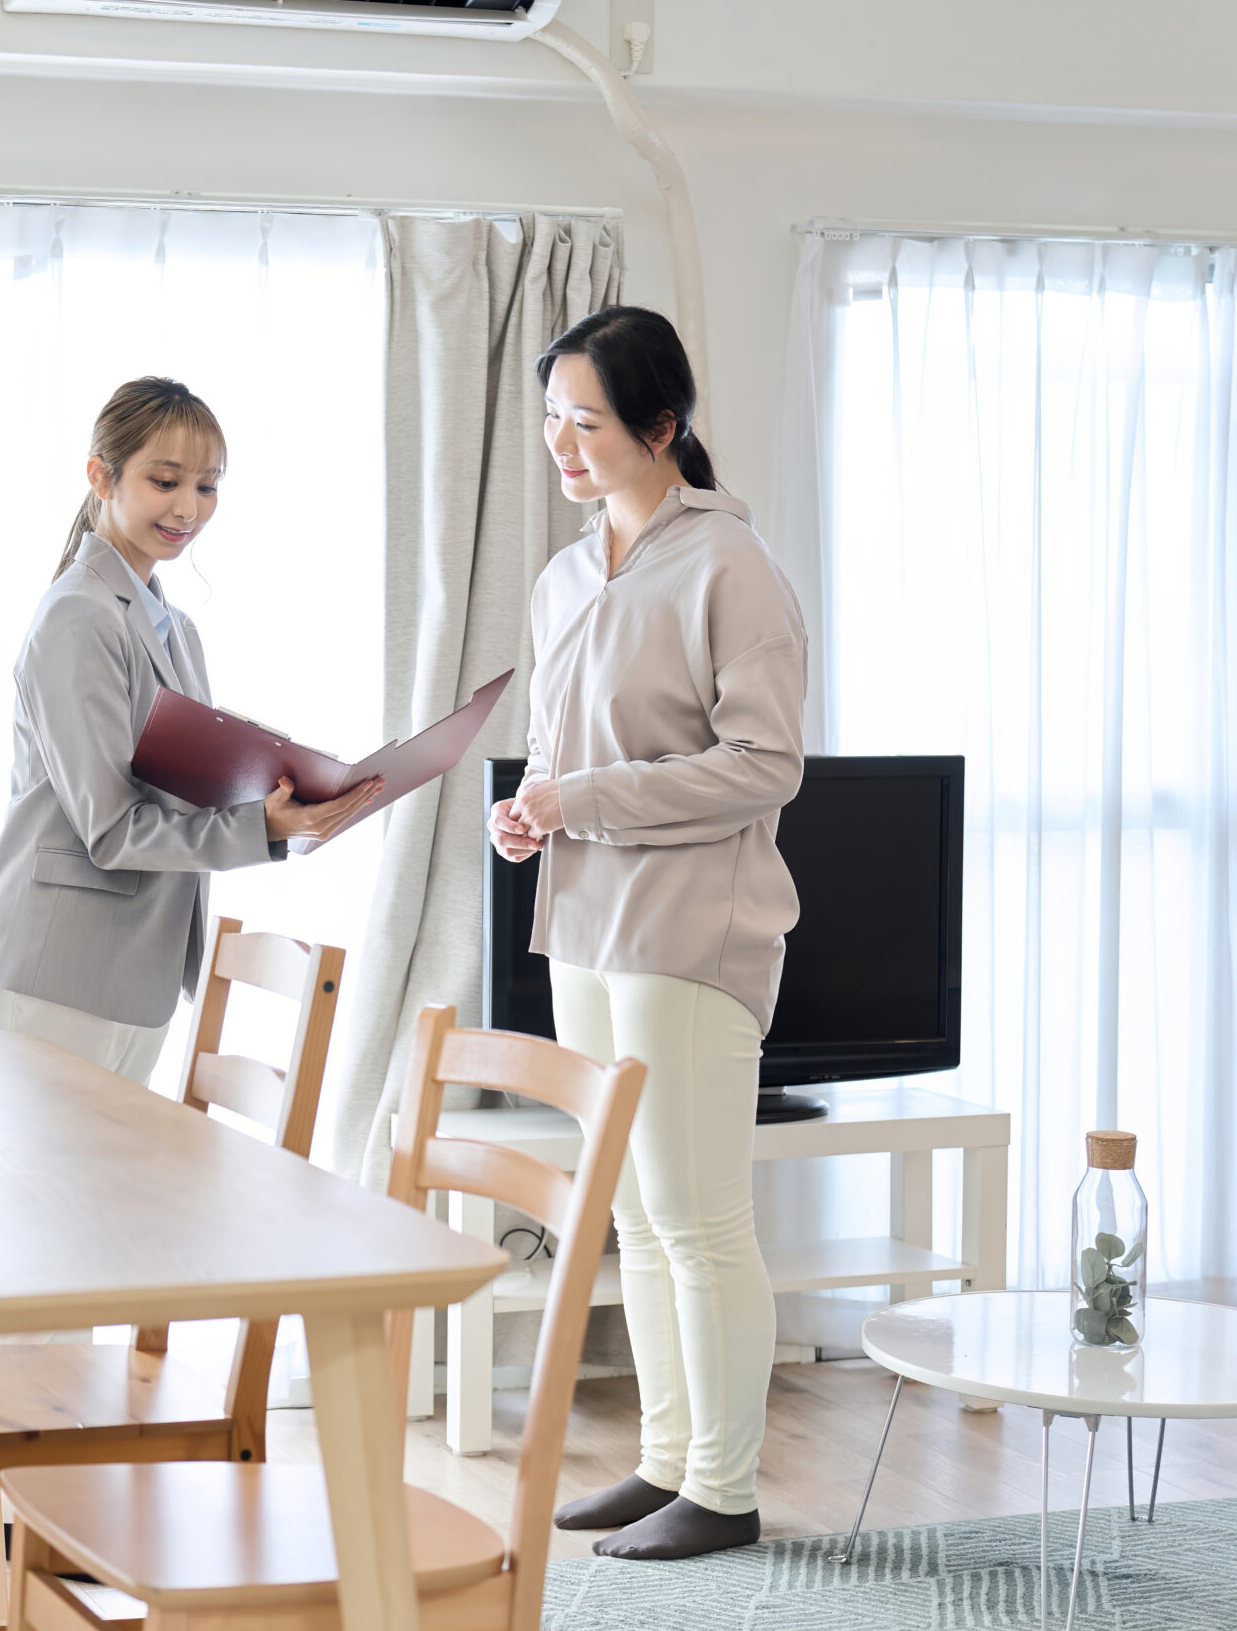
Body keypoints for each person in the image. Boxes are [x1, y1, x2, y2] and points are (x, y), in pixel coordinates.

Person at [488, 307, 806, 1561]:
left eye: (588, 421)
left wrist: (586, 800)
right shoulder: (564, 576)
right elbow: (562, 754)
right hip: (582, 925)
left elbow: (764, 765)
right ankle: (668, 1463)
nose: (562, 445)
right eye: (551, 420)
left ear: (660, 427)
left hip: (688, 928)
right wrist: (533, 811)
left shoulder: (730, 564)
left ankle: (722, 1489)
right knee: (635, 1214)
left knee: (697, 1216)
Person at [0, 376, 379, 1081]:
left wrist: (293, 796)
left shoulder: (173, 627)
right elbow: (112, 829)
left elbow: (184, 787)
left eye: (207, 487)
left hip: (131, 978)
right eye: (165, 481)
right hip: (56, 979)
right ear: (101, 476)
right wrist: (263, 828)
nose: (188, 508)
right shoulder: (79, 616)